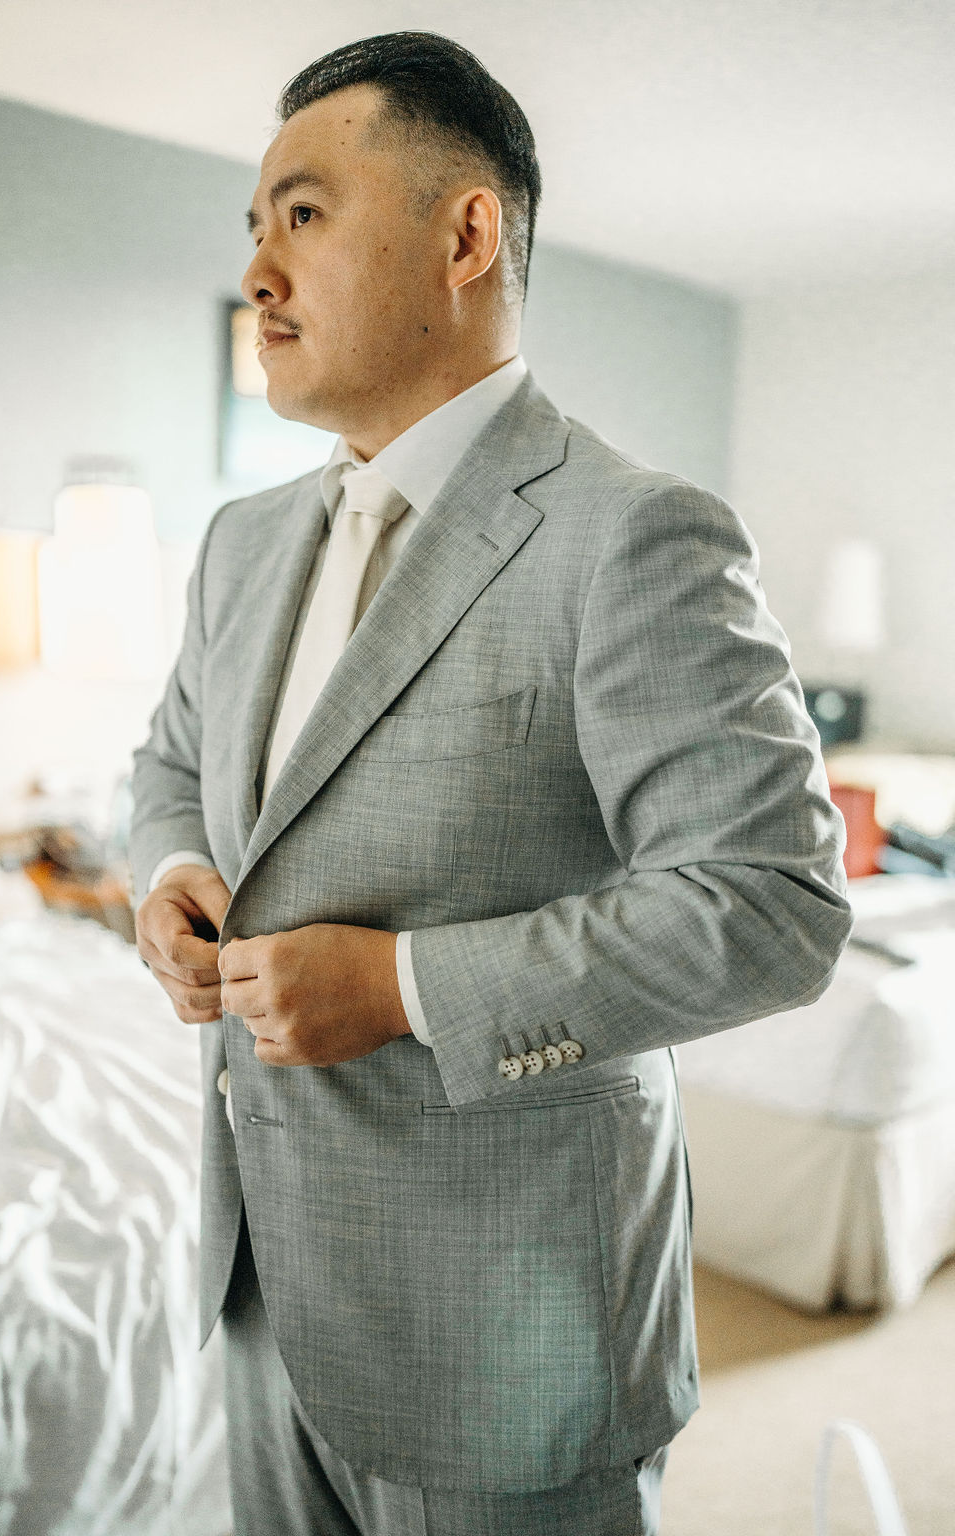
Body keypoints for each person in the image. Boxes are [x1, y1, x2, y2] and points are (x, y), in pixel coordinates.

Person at [129, 30, 851, 1535]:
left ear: (466, 233)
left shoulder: (635, 535)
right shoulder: (239, 544)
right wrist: (164, 874)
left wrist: (399, 989)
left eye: (304, 215)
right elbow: (174, 762)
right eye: (252, 228)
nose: (258, 272)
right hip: (261, 1295)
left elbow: (770, 904)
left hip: (512, 1338)